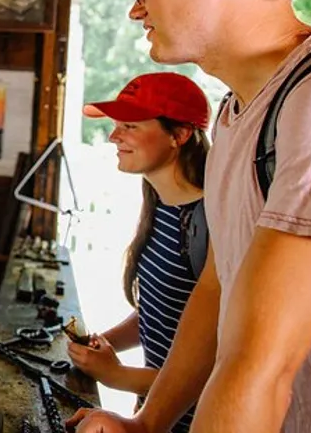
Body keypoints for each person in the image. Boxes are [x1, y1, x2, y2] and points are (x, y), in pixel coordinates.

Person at [68, 0, 311, 433]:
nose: (136, 10)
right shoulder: (235, 115)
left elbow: (259, 365)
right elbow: (218, 286)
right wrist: (149, 422)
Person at [68, 72, 211, 433]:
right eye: (116, 125)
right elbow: (160, 311)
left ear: (178, 135)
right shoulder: (161, 206)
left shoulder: (213, 225)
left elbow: (217, 367)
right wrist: (105, 344)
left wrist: (117, 376)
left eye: (129, 125)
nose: (114, 136)